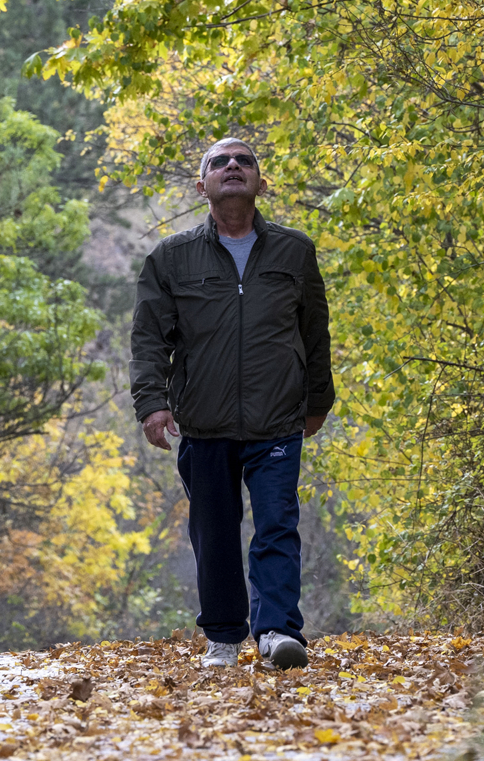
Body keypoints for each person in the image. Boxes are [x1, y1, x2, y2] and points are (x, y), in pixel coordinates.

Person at [130, 138, 334, 670]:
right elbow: (149, 339)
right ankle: (222, 637)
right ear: (203, 186)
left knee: (277, 525)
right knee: (214, 533)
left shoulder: (294, 251)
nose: (233, 166)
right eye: (220, 162)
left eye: (245, 160)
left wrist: (318, 400)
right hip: (203, 421)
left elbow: (315, 332)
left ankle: (277, 632)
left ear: (260, 182)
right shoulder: (171, 257)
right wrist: (152, 403)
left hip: (277, 419)